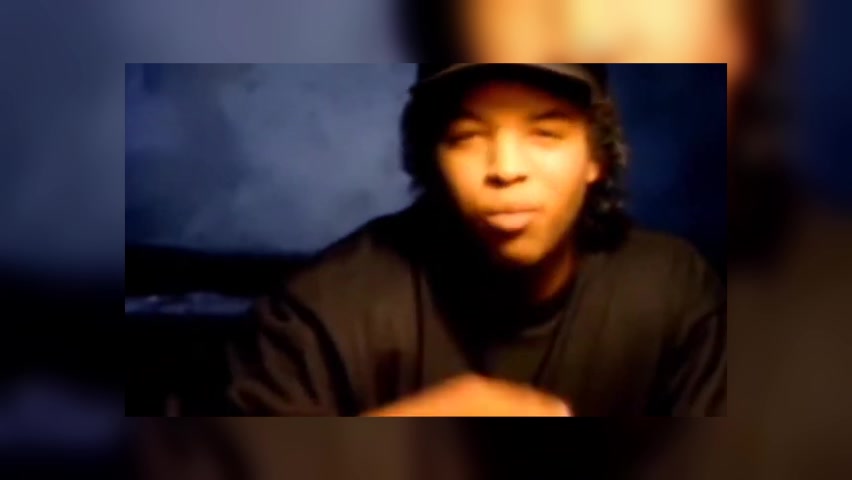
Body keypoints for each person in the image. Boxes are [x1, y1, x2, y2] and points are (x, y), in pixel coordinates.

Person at [227, 63, 725, 416]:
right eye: (467, 137)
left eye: (545, 134)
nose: (505, 169)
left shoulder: (672, 289)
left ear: (596, 158)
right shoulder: (320, 313)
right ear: (431, 158)